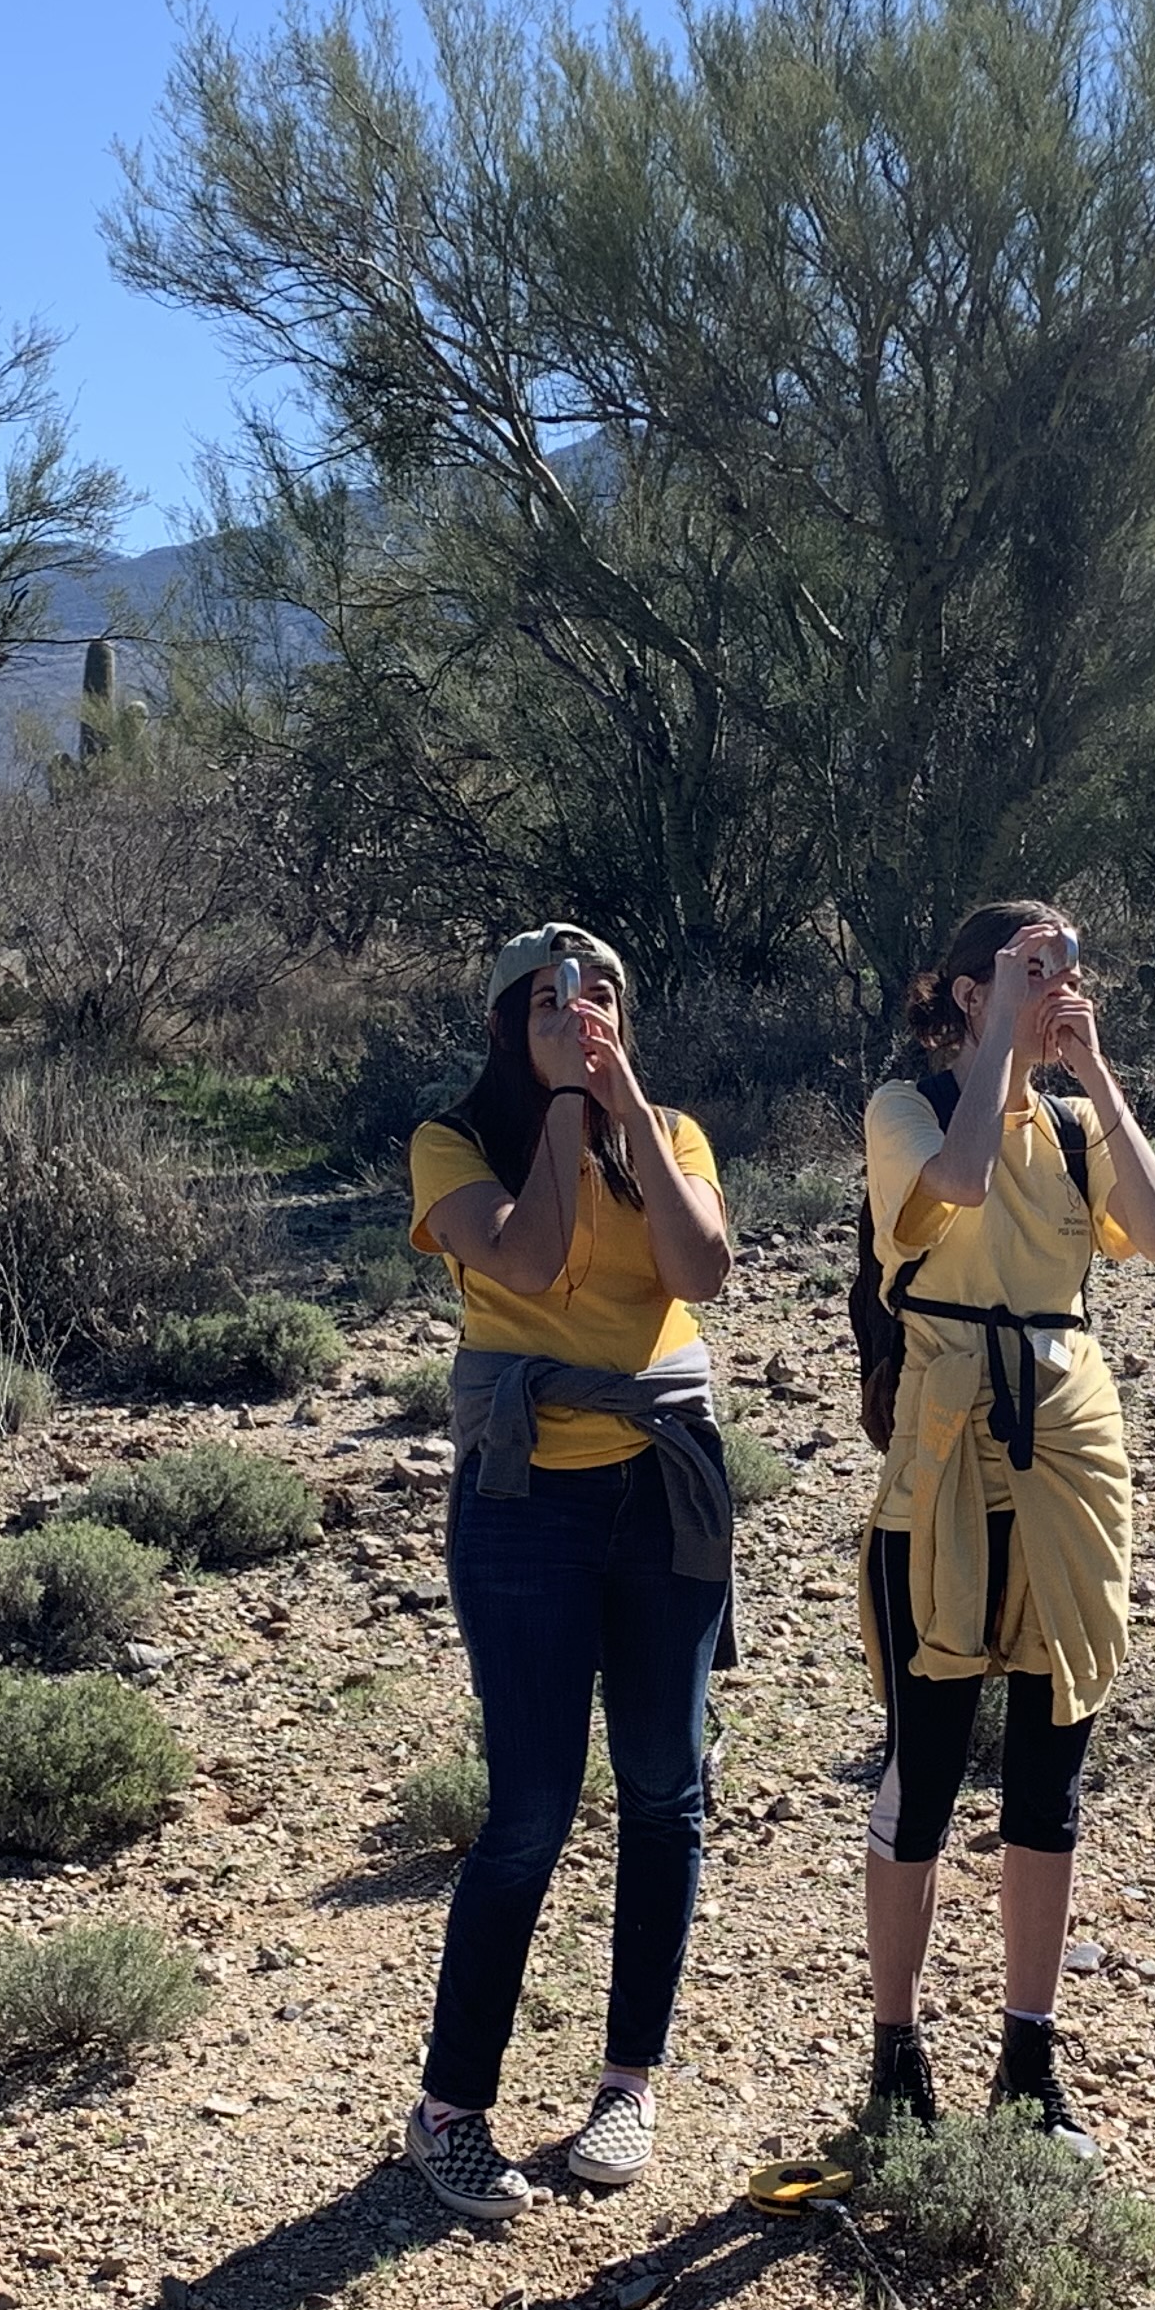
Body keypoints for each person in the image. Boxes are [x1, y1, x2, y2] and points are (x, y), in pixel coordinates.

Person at [399, 924, 736, 2219]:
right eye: (549, 999)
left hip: (662, 1493)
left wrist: (624, 1108)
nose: (578, 1011)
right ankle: (450, 2110)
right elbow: (531, 1261)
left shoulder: (671, 1134)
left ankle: (628, 2083)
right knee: (530, 1811)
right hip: (525, 1496)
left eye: (597, 993)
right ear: (503, 1024)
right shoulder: (453, 1144)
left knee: (664, 1789)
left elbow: (702, 1269)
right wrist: (554, 1106)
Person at [854, 900, 1155, 2150]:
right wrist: (1000, 1030)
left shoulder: (1073, 1113)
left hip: (1070, 1440)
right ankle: (896, 2055)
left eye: (1062, 968)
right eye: (1025, 967)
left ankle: (1029, 2060)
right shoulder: (909, 1109)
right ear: (958, 985)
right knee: (926, 1762)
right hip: (944, 1442)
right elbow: (957, 1187)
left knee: (1051, 1768)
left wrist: (1091, 1063)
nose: (1051, 984)